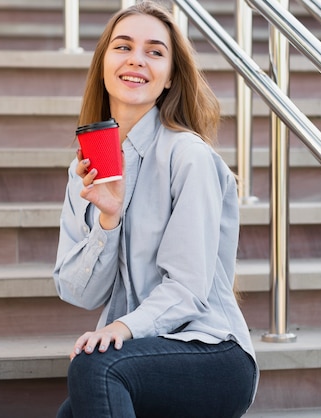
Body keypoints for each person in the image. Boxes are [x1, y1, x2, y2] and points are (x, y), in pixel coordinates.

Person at [53, 2, 258, 417]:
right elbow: (78, 291)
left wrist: (122, 327)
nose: (136, 60)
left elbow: (186, 288)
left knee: (96, 369)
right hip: (142, 354)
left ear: (168, 78)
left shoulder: (188, 157)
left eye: (155, 52)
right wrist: (108, 223)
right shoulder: (88, 171)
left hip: (212, 352)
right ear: (104, 64)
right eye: (123, 46)